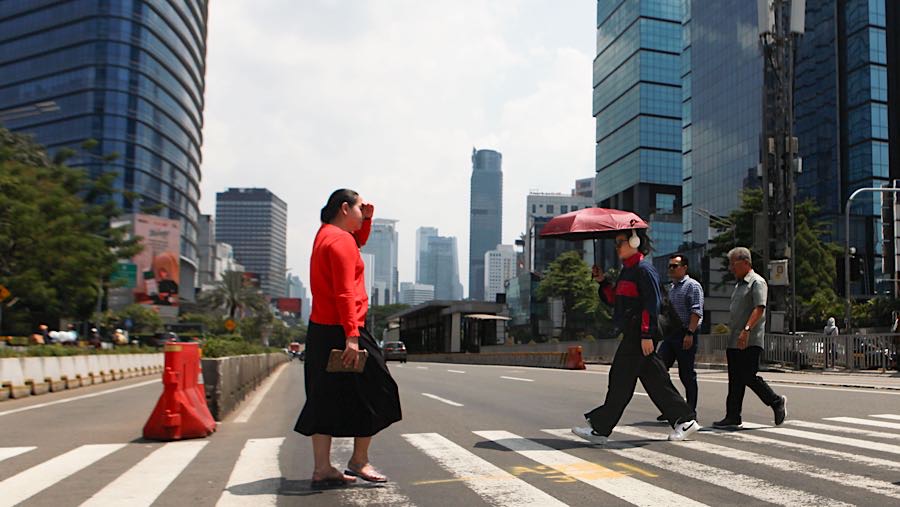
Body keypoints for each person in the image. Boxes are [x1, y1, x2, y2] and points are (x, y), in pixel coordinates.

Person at [295, 189, 401, 489]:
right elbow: (345, 291)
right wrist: (352, 337)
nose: (362, 213)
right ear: (344, 208)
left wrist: (366, 220)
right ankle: (359, 460)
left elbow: (357, 243)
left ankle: (322, 468)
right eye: (358, 209)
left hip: (320, 329)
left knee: (322, 396)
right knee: (379, 389)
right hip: (345, 327)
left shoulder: (325, 235)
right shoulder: (341, 240)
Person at [572, 228, 700, 445]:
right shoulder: (627, 271)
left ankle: (601, 429)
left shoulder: (644, 269)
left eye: (620, 242)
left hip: (639, 334)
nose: (617, 247)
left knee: (620, 379)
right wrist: (602, 281)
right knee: (655, 380)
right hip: (634, 333)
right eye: (616, 243)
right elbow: (616, 301)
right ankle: (685, 420)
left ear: (634, 241)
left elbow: (652, 305)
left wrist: (646, 334)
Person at [713, 247, 786, 428]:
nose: (731, 268)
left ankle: (776, 401)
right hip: (735, 340)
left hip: (750, 339)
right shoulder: (739, 285)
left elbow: (759, 308)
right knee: (735, 380)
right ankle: (732, 416)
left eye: (733, 264)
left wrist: (746, 330)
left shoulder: (757, 282)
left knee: (747, 376)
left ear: (745, 263)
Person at [655, 254, 703, 421]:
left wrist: (690, 333)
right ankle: (672, 407)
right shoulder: (672, 288)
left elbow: (696, 311)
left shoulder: (692, 286)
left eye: (674, 266)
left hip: (685, 333)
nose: (671, 269)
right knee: (658, 369)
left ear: (684, 268)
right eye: (669, 266)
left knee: (686, 374)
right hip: (670, 335)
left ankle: (690, 411)